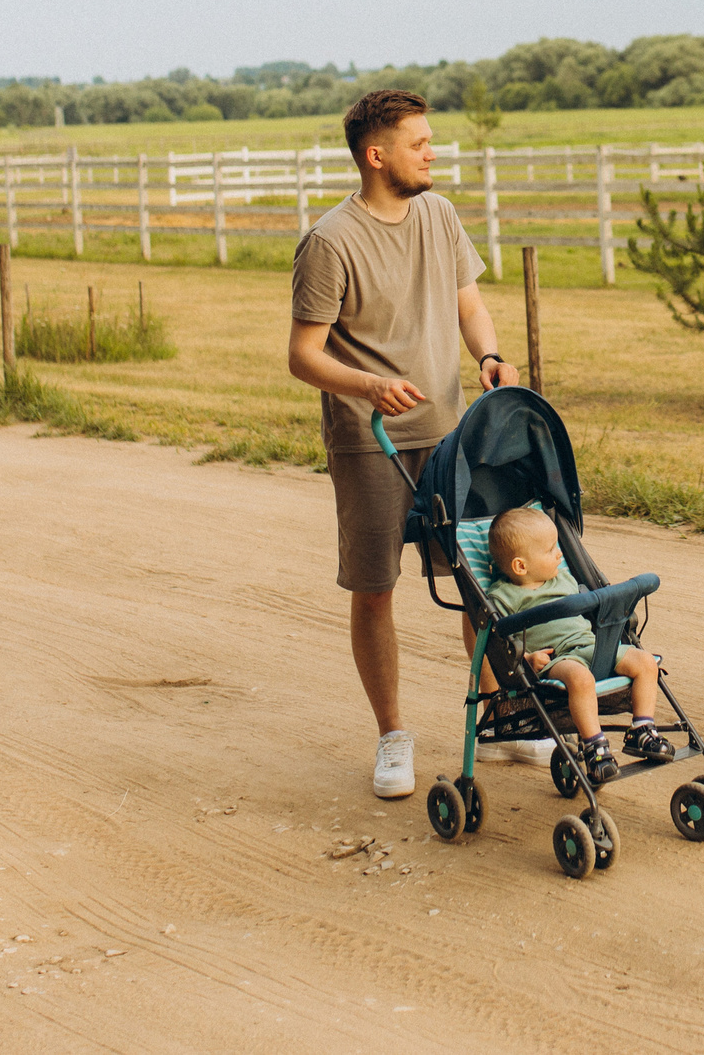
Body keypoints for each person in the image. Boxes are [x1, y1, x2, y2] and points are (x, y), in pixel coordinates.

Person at [289, 89, 529, 800]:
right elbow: (303, 356)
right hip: (371, 443)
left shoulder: (440, 214)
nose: (431, 153)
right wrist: (368, 386)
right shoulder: (330, 241)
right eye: (418, 143)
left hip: (451, 435)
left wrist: (489, 355)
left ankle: (501, 714)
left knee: (481, 581)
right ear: (377, 155)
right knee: (375, 589)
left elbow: (469, 304)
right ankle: (393, 734)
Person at [482, 506, 677, 785]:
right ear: (521, 566)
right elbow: (501, 643)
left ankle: (642, 729)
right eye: (550, 550)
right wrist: (526, 659)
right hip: (559, 658)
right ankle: (594, 746)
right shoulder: (503, 597)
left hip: (592, 646)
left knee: (646, 662)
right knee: (581, 678)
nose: (559, 555)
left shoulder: (563, 578)